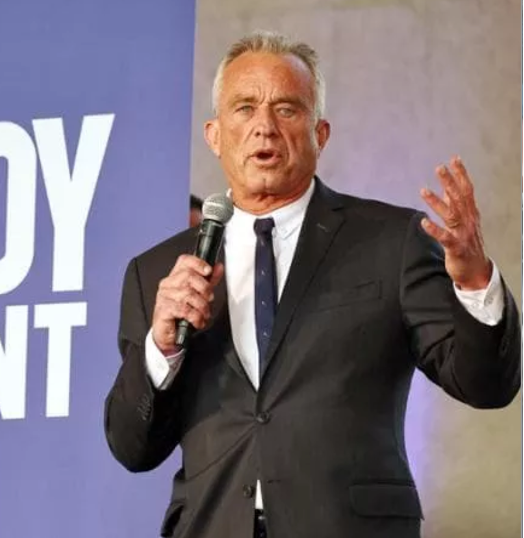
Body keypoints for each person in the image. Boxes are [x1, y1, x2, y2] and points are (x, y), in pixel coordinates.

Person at [103, 30, 521, 538]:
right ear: (214, 135)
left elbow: (486, 385)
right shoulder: (157, 272)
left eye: (286, 109)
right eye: (244, 108)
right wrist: (161, 349)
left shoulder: (391, 241)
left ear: (320, 134)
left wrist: (475, 281)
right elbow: (132, 447)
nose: (264, 127)